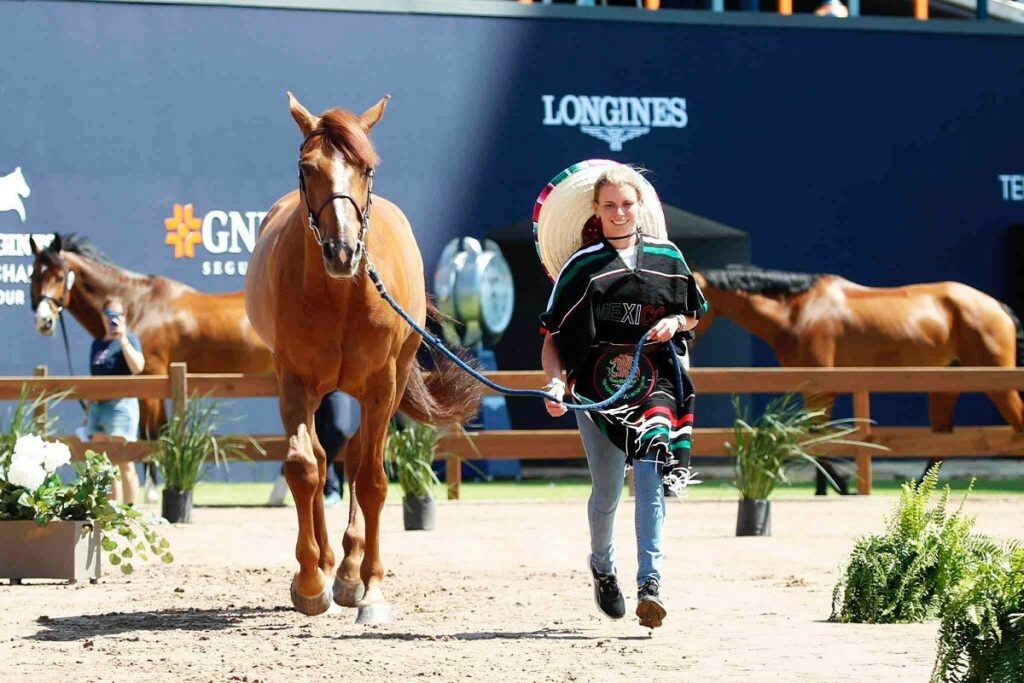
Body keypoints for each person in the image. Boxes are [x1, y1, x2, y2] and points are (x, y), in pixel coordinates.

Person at [535, 161, 705, 629]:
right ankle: (602, 565)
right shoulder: (582, 268)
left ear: (640, 207)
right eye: (610, 205)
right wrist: (555, 382)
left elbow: (693, 311)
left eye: (627, 204)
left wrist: (677, 322)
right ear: (597, 210)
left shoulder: (669, 258)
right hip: (595, 387)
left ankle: (651, 583)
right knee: (607, 489)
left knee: (652, 465)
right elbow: (553, 335)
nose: (619, 212)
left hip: (656, 382)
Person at [88, 296, 145, 504]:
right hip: (99, 407)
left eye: (117, 315)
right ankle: (111, 511)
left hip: (122, 406)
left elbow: (138, 367)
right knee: (105, 463)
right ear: (102, 317)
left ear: (124, 317)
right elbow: (94, 378)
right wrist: (88, 411)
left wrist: (122, 340)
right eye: (109, 315)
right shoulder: (97, 343)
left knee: (125, 460)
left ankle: (131, 511)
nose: (113, 320)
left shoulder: (130, 339)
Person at [267, 390, 360, 507]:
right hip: (309, 387)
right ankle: (331, 490)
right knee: (309, 435)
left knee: (338, 430)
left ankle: (289, 475)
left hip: (336, 385)